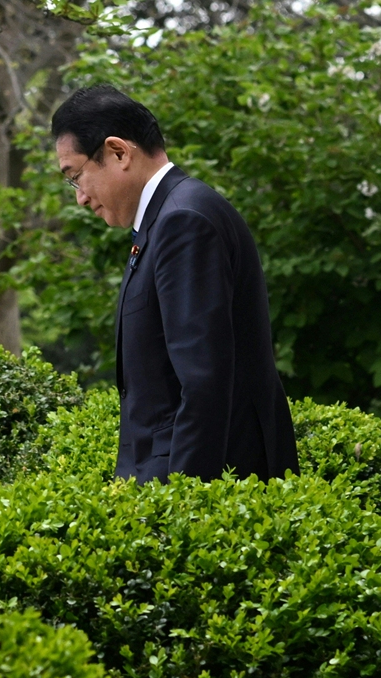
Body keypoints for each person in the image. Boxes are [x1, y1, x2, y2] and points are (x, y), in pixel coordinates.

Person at [51, 85, 299, 484]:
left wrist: (179, 506)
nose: (80, 198)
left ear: (118, 152)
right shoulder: (171, 215)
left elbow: (203, 387)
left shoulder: (183, 221)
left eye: (76, 176)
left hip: (207, 495)